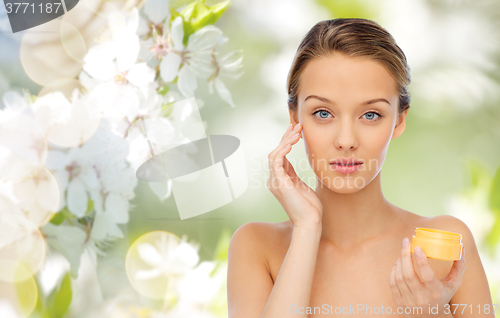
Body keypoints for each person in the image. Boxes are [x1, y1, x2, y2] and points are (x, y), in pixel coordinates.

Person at [227, 18, 495, 318]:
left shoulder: (443, 245)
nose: (346, 140)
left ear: (400, 120)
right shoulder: (257, 248)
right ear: (295, 118)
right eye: (323, 113)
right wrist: (306, 229)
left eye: (370, 114)